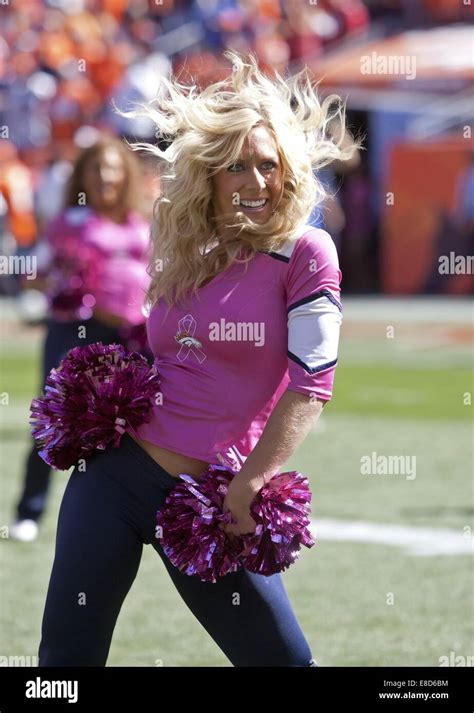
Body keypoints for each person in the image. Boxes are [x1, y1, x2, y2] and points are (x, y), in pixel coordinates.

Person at [37, 52, 356, 667]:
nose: (256, 181)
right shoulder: (188, 245)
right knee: (64, 663)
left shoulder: (307, 254)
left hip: (209, 500)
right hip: (112, 477)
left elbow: (311, 383)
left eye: (269, 165)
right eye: (237, 166)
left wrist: (253, 482)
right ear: (209, 175)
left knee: (284, 663)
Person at [10, 135, 152, 542]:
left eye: (113, 167)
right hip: (76, 331)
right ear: (83, 176)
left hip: (129, 337)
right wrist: (55, 279)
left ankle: (118, 515)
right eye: (96, 167)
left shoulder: (141, 223)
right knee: (53, 419)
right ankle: (29, 511)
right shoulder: (70, 222)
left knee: (124, 426)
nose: (105, 175)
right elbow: (36, 272)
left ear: (125, 174)